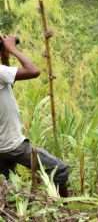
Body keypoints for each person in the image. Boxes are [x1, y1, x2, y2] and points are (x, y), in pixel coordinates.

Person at [0, 35, 69, 197]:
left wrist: (5, 57)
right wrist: (12, 49)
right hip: (12, 145)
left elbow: (9, 81)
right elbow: (33, 71)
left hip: (2, 144)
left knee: (9, 185)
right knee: (60, 170)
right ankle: (65, 209)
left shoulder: (2, 74)